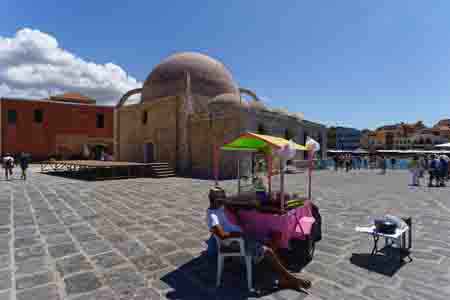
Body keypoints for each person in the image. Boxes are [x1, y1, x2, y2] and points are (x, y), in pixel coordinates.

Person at [206, 189, 311, 292]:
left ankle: (280, 276)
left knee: (274, 237)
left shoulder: (220, 209)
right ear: (214, 200)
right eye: (222, 198)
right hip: (235, 243)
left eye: (224, 197)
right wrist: (240, 234)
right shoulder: (212, 216)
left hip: (243, 237)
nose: (224, 199)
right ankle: (292, 279)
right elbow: (222, 235)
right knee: (268, 251)